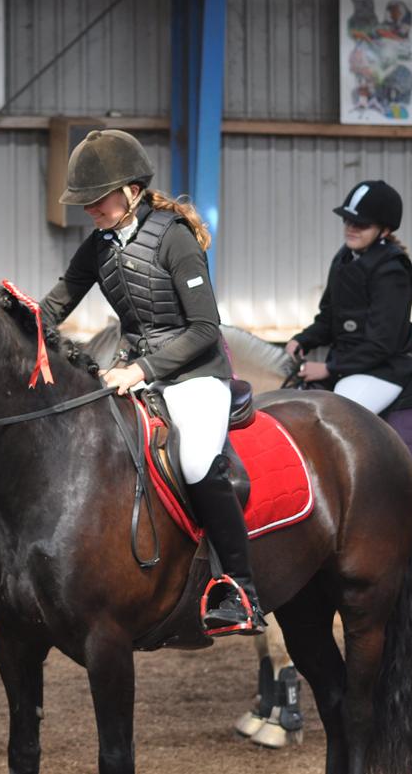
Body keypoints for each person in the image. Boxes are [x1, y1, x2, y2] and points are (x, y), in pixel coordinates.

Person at [40, 128, 264, 635]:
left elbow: (205, 329)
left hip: (196, 373)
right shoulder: (99, 246)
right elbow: (54, 306)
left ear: (131, 191)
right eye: (85, 202)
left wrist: (140, 370)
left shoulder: (174, 238)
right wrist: (7, 318)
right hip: (135, 371)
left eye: (97, 200)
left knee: (196, 462)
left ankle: (240, 589)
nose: (89, 210)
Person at [286, 179, 412, 415]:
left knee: (337, 415)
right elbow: (329, 318)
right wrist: (302, 340)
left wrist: (329, 368)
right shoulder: (344, 259)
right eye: (348, 220)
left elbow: (382, 343)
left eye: (362, 224)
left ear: (384, 230)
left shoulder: (393, 270)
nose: (351, 228)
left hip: (381, 373)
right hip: (346, 368)